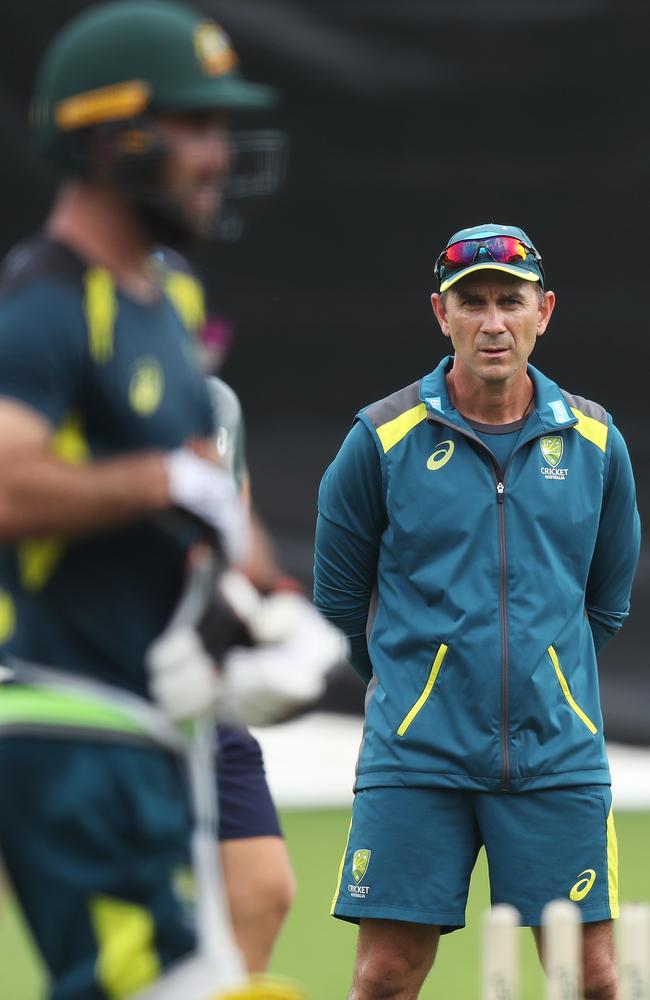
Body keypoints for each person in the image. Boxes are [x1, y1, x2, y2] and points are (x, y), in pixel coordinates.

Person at [0, 2, 344, 998]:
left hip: (161, 725)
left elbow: (205, 480)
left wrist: (264, 605)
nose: (216, 154)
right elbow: (10, 481)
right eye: (195, 126)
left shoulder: (171, 303)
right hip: (68, 715)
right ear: (111, 137)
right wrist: (162, 482)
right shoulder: (42, 305)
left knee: (211, 970)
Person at [314, 223, 641, 999]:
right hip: (417, 757)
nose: (493, 322)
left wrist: (542, 679)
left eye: (510, 301)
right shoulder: (381, 438)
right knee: (387, 976)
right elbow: (335, 603)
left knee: (592, 978)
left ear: (544, 311)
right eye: (473, 304)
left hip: (556, 757)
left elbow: (607, 601)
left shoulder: (595, 441)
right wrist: (418, 684)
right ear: (441, 314)